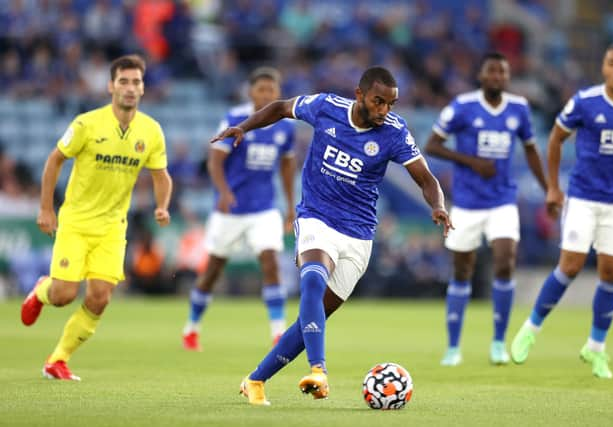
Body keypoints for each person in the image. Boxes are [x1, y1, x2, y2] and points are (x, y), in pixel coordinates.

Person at [212, 66, 452, 405]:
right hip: (316, 218)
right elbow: (281, 107)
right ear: (360, 94)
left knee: (314, 317)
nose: (384, 110)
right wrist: (243, 127)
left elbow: (426, 179)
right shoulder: (326, 107)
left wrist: (438, 205)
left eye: (391, 104)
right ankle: (319, 370)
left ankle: (255, 380)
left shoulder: (395, 133)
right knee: (312, 280)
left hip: (358, 234)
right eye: (378, 101)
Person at [20, 54, 172, 381]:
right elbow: (54, 160)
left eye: (136, 82)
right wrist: (46, 208)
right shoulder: (86, 124)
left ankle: (57, 359)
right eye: (124, 82)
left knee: (100, 297)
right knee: (63, 295)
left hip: (113, 228)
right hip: (75, 221)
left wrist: (163, 205)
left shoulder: (151, 130)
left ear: (143, 88)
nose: (130, 89)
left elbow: (161, 175)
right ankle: (41, 292)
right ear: (110, 86)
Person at [510, 43, 613, 379]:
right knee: (570, 265)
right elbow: (555, 139)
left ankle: (595, 348)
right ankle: (530, 329)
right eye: (611, 63)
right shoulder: (585, 101)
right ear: (604, 68)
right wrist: (554, 187)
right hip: (583, 196)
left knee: (612, 272)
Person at [425, 52, 547, 366]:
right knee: (462, 270)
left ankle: (497, 343)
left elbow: (532, 150)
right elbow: (432, 145)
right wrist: (471, 162)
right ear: (481, 75)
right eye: (491, 71)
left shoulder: (519, 108)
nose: (497, 77)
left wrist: (550, 189)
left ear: (507, 77)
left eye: (502, 72)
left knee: (506, 260)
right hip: (466, 203)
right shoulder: (463, 106)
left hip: (503, 200)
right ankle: (453, 347)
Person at [182, 67, 296, 351]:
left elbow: (287, 166)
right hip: (230, 210)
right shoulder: (235, 119)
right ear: (251, 91)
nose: (267, 94)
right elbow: (215, 160)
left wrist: (290, 204)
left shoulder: (285, 126)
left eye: (272, 90)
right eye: (262, 89)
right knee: (213, 271)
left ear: (278, 93)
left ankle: (278, 333)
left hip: (264, 209)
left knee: (270, 263)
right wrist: (223, 192)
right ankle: (192, 328)